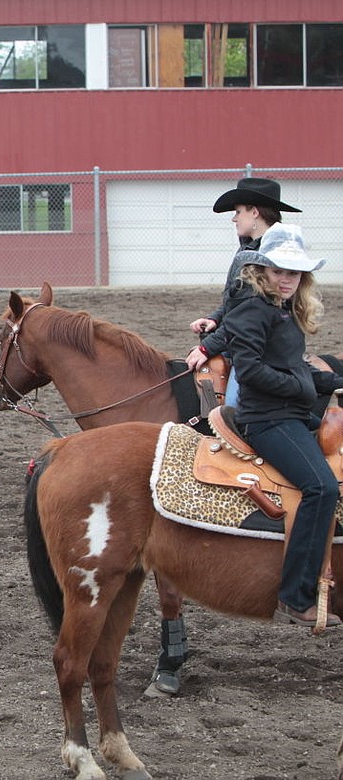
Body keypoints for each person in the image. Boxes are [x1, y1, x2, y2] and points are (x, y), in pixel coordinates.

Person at [220, 223, 343, 628]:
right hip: (266, 418)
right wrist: (301, 386)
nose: (287, 279)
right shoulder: (252, 310)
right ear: (263, 270)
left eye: (294, 273)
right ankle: (294, 596)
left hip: (287, 410)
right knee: (320, 486)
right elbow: (251, 370)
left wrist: (331, 380)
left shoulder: (281, 308)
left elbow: (294, 368)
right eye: (279, 271)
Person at [186, 177, 301, 405]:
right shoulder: (250, 248)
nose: (234, 218)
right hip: (246, 340)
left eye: (238, 211)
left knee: (234, 408)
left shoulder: (269, 258)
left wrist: (206, 347)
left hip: (260, 351)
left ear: (255, 212)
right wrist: (215, 318)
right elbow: (238, 302)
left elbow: (249, 316)